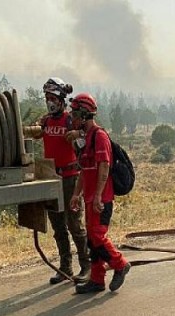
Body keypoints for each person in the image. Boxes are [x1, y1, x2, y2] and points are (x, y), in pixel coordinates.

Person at [68, 93, 131, 294]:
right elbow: (83, 171)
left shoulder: (99, 136)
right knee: (92, 240)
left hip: (101, 199)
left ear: (85, 115)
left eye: (76, 114)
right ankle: (97, 279)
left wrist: (97, 196)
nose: (73, 118)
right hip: (89, 198)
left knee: (97, 235)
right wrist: (76, 195)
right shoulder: (85, 139)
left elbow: (104, 168)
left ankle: (120, 264)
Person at [33, 78, 90, 285]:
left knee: (74, 223)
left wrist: (78, 133)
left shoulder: (70, 120)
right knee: (58, 226)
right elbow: (37, 134)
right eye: (47, 98)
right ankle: (65, 267)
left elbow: (88, 135)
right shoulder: (46, 121)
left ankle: (86, 266)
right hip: (51, 177)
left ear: (61, 99)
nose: (50, 102)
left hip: (70, 178)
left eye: (53, 98)